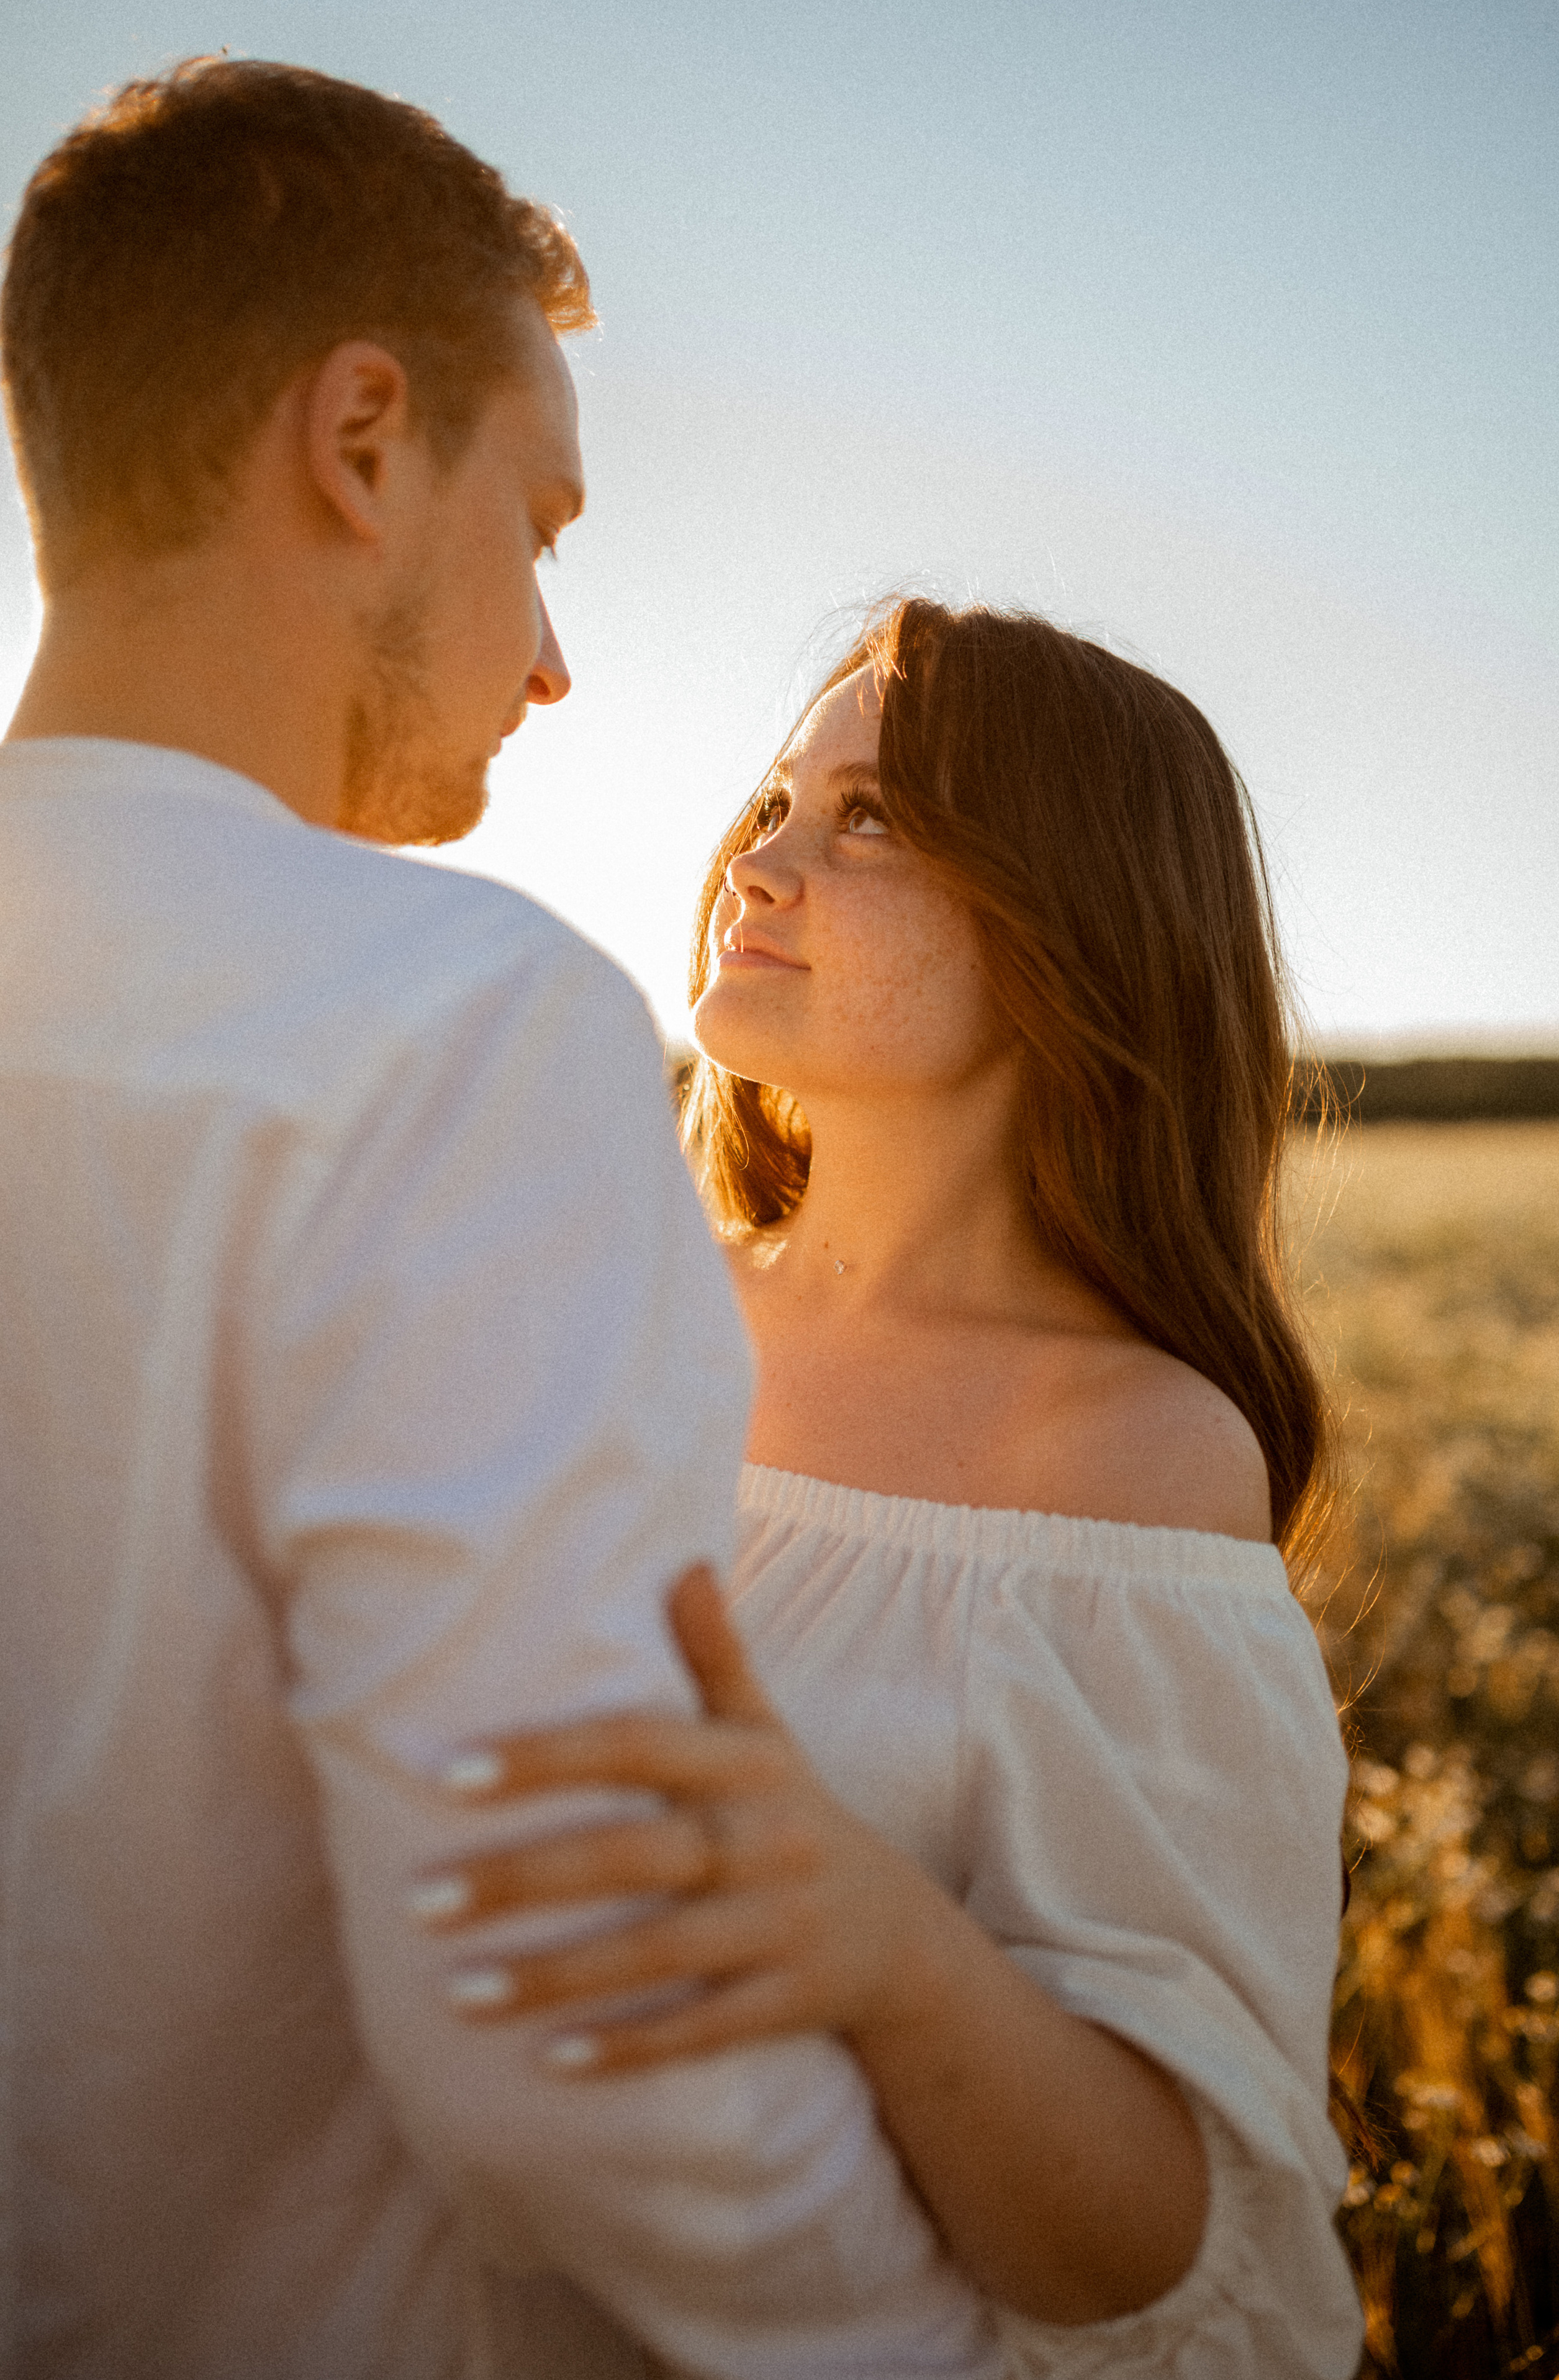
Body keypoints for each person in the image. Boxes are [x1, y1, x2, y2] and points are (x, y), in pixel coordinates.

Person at [0, 65, 1006, 2379]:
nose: (551, 652)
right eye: (536, 519)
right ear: (363, 442)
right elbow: (557, 2012)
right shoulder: (457, 1029)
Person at [409, 601, 1368, 2377]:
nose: (760, 862)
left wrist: (884, 1943)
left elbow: (1154, 2242)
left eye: (870, 820)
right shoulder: (604, 1296)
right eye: (775, 803)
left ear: (1072, 922)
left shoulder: (1135, 1452)